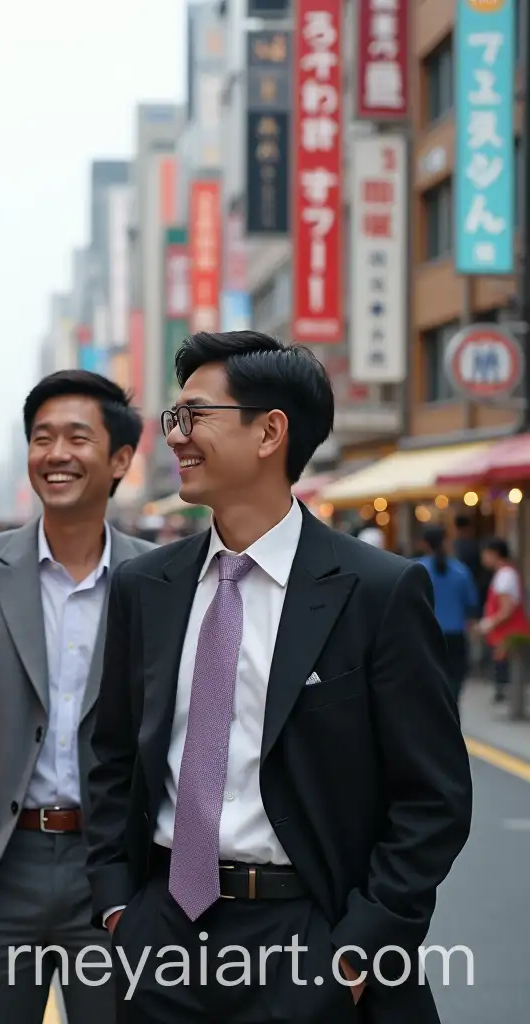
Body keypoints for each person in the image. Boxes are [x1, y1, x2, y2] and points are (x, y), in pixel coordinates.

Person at [87, 331, 472, 1024]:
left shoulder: (377, 591)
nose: (175, 436)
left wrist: (355, 954)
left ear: (270, 432)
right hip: (162, 939)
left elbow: (433, 799)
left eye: (195, 415)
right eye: (174, 418)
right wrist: (120, 910)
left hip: (308, 936)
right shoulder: (146, 586)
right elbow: (112, 756)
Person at [0, 370, 153, 1024]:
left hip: (111, 872)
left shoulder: (161, 578)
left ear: (119, 460)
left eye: (78, 437)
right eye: (42, 437)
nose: (56, 453)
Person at [414, 525, 480, 703]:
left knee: (428, 684)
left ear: (425, 544)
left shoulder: (415, 570)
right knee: (454, 683)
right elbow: (472, 604)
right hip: (456, 635)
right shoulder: (461, 570)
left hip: (425, 635)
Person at [477, 537, 530, 703]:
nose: (483, 558)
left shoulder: (505, 575)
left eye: (485, 554)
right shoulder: (505, 573)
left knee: (507, 671)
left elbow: (506, 609)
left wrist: (489, 623)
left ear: (495, 554)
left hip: (508, 633)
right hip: (504, 633)